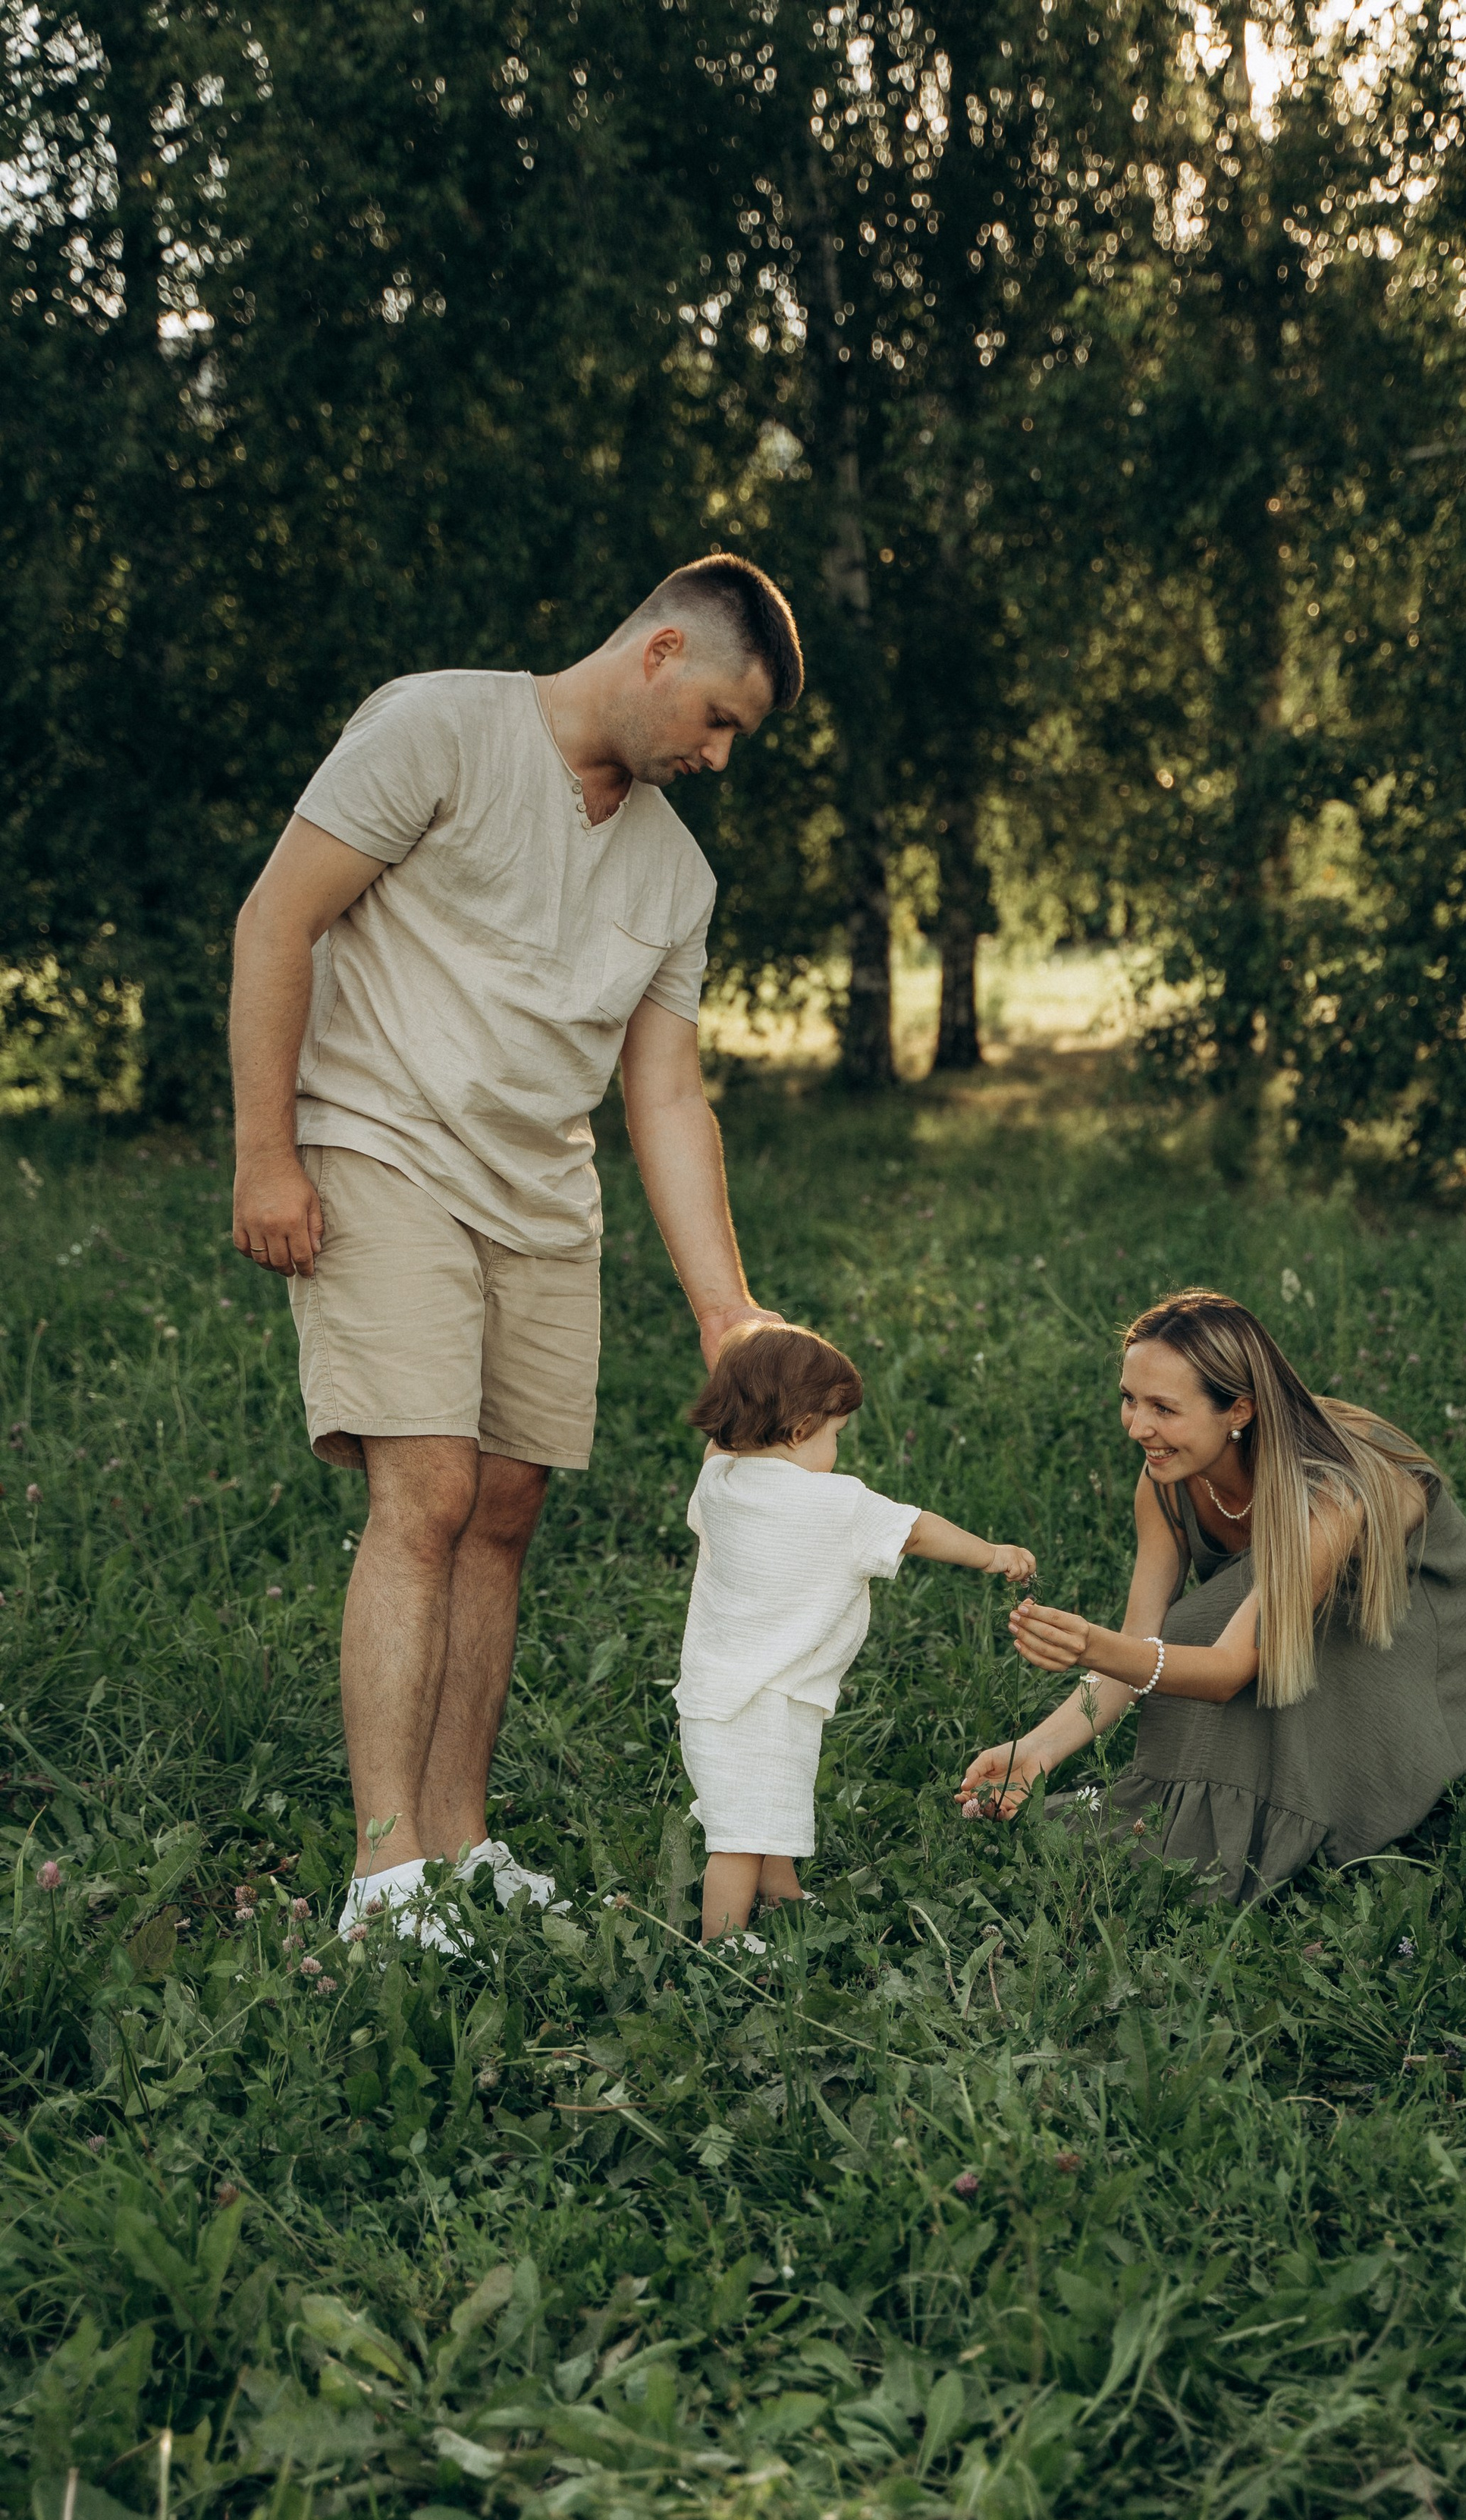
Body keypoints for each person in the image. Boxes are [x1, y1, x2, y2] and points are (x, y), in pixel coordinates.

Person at [228, 554, 802, 1940]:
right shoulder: (437, 728)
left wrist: (726, 1308)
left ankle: (459, 1843)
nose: (721, 755)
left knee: (502, 1514)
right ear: (660, 653)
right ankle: (383, 1880)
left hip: (542, 1201)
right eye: (720, 719)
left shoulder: (676, 874)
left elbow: (662, 1096)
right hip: (382, 1152)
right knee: (420, 1495)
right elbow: (278, 919)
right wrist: (267, 1153)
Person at [956, 1287, 1466, 1900]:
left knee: (1206, 1629)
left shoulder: (1331, 1489)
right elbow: (1141, 1645)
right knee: (1202, 1629)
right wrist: (1036, 1750)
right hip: (1310, 1623)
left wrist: (1092, 1645)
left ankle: (1313, 1813)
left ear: (1239, 1411)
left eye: (1164, 1409)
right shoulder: (1166, 1482)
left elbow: (1226, 1668)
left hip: (1426, 1647)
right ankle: (1216, 1824)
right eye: (1129, 1399)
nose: (1138, 1427)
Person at [677, 1323, 1036, 1943]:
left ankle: (782, 1895)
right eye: (835, 1434)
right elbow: (918, 1530)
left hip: (717, 1699)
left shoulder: (720, 1486)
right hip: (767, 1700)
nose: (838, 1451)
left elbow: (718, 1450)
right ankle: (722, 1948)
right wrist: (992, 1554)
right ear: (798, 1429)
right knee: (738, 1838)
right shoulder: (836, 1504)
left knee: (767, 1806)